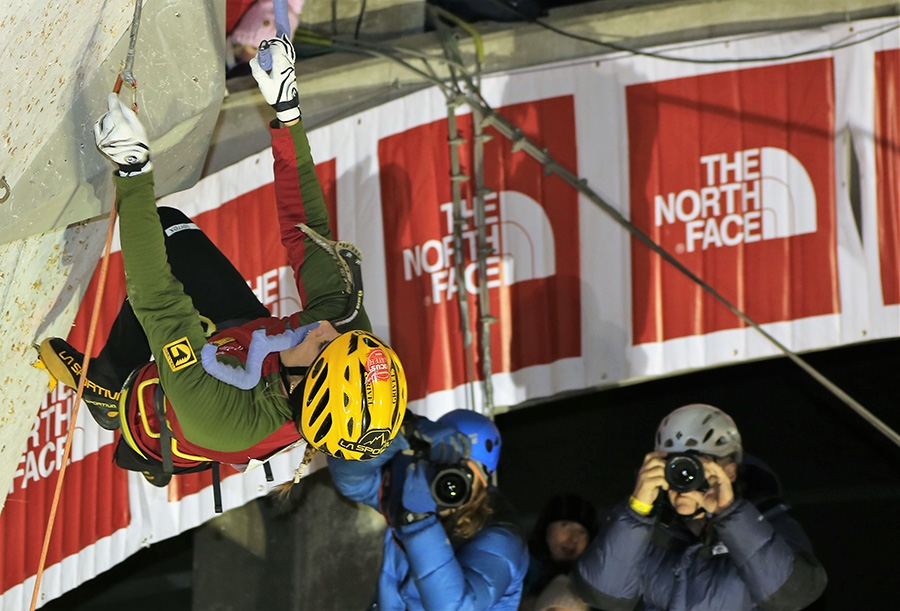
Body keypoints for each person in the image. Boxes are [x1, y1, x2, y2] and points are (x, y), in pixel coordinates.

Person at [39, 36, 407, 487]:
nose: (329, 326)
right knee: (172, 228)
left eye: (321, 344)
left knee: (159, 249)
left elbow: (157, 298)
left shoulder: (221, 415)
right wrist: (287, 113)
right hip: (248, 350)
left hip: (175, 409)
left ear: (301, 380)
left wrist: (133, 172)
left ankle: (109, 389)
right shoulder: (344, 340)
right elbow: (307, 232)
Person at [572, 404, 827, 611]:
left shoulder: (770, 521)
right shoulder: (646, 531)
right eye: (674, 466)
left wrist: (731, 514)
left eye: (695, 466)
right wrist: (637, 510)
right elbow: (602, 596)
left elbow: (794, 595)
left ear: (729, 470)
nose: (683, 480)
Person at [328, 409, 530, 610]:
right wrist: (401, 436)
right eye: (439, 464)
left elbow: (457, 607)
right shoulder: (412, 489)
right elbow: (349, 479)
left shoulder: (501, 539)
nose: (445, 476)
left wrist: (418, 522)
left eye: (460, 471)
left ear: (483, 480)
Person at [521, 494, 598, 610]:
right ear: (545, 528)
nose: (573, 539)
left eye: (581, 532)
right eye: (565, 526)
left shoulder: (595, 583)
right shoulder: (520, 570)